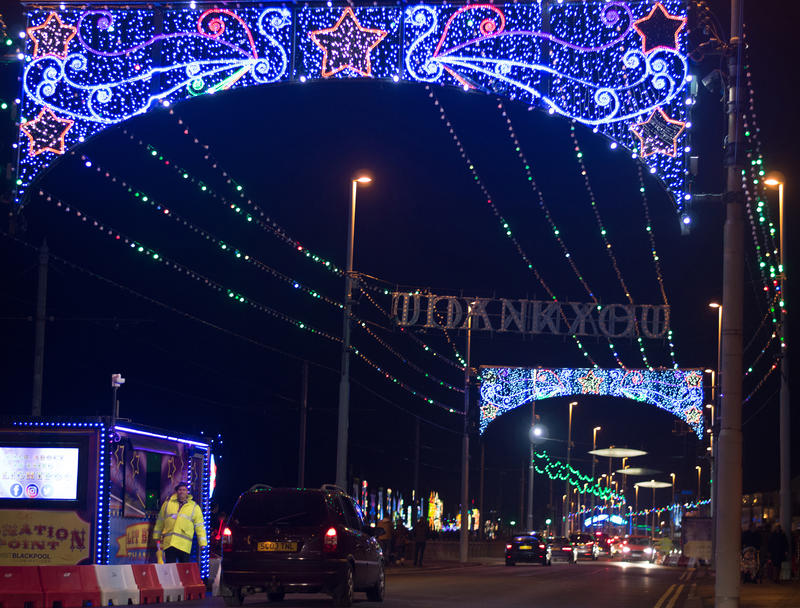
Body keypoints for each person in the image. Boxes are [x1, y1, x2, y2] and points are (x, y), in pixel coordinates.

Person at [153, 482, 207, 563]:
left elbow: (200, 526)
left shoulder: (194, 507)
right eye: (180, 490)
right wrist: (156, 536)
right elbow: (160, 521)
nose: (182, 492)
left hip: (184, 545)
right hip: (170, 543)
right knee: (170, 568)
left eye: (184, 490)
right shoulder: (167, 504)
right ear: (176, 491)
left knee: (183, 570)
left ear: (187, 492)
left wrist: (202, 543)